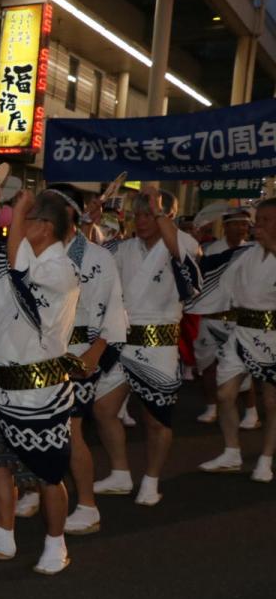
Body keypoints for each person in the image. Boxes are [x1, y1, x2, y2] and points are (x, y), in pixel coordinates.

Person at [0, 187, 81, 575]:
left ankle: (56, 544)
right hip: (5, 387)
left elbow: (15, 271)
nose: (17, 229)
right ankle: (2, 534)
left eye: (25, 221)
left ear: (43, 227)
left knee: (47, 472)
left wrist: (18, 208)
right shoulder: (29, 256)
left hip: (41, 390)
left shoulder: (60, 270)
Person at [94, 189, 202, 505]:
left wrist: (161, 214)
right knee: (102, 409)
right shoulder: (124, 248)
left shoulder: (183, 244)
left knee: (156, 419)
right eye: (138, 214)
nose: (141, 221)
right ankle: (119, 472)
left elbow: (185, 262)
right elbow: (91, 260)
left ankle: (151, 479)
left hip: (160, 343)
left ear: (165, 217)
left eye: (149, 214)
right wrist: (91, 222)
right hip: (122, 338)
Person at [48, 184, 128, 535]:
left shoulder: (98, 256)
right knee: (42, 426)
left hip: (81, 352)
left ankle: (87, 505)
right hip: (42, 351)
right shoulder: (39, 251)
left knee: (71, 429)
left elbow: (114, 310)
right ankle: (43, 488)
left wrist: (96, 352)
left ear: (68, 213)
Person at [199, 200, 275, 479]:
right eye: (261, 219)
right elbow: (216, 278)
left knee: (271, 402)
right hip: (241, 331)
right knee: (225, 394)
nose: (260, 225)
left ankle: (266, 458)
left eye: (267, 219)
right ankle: (231, 451)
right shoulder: (245, 254)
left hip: (273, 336)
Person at [188, 208, 261, 429]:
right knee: (209, 365)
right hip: (211, 317)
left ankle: (251, 411)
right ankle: (212, 407)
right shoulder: (210, 249)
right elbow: (194, 270)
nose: (241, 228)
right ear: (225, 226)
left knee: (244, 365)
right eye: (236, 223)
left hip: (241, 319)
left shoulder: (255, 251)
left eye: (244, 224)